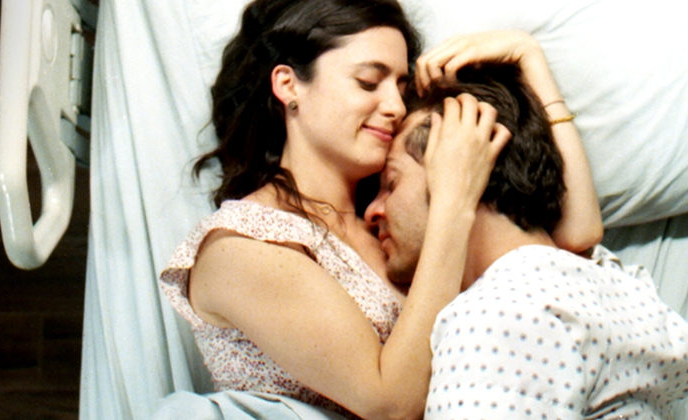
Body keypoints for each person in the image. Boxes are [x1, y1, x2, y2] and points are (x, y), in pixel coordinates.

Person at [158, 1, 601, 419]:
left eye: (401, 87)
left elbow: (572, 240)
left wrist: (530, 58)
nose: (395, 107)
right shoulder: (240, 247)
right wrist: (453, 201)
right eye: (369, 83)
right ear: (289, 85)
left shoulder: (388, 216)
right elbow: (390, 404)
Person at [363, 62, 688, 419]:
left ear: (461, 171)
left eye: (391, 184)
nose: (372, 212)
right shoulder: (610, 281)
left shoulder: (496, 321)